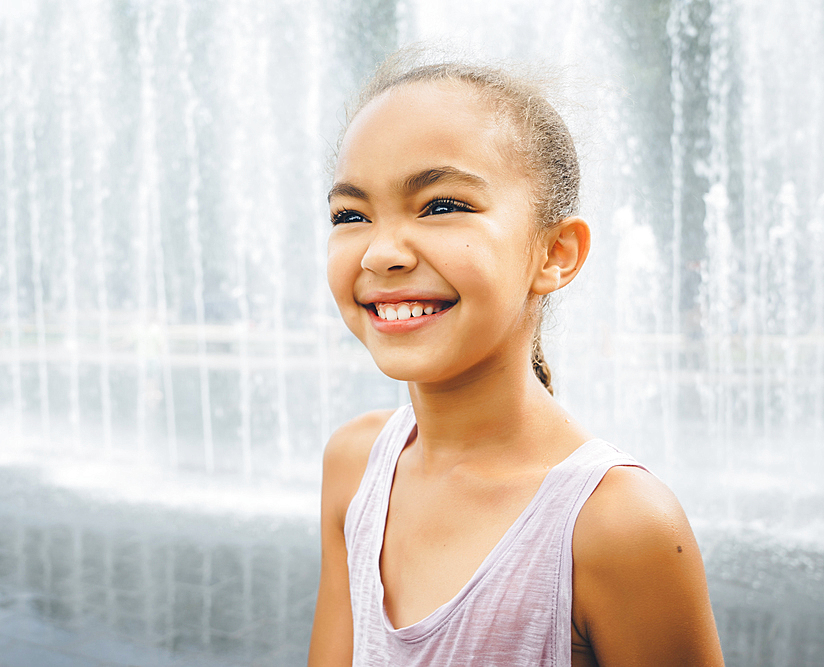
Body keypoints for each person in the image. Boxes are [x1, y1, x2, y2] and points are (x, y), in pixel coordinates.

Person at [308, 51, 724, 667]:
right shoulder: (357, 467)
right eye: (351, 214)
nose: (380, 253)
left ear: (555, 252)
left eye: (442, 205)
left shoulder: (616, 526)